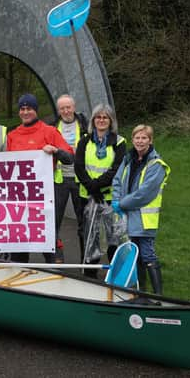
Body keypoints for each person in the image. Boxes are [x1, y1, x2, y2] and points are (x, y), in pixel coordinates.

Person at [6, 93, 74, 263]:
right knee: (21, 234)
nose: (25, 112)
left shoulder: (49, 131)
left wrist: (56, 151)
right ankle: (19, 270)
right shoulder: (12, 135)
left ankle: (56, 266)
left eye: (29, 108)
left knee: (46, 231)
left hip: (46, 193)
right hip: (19, 195)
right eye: (22, 109)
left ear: (35, 110)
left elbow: (69, 157)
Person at [112, 125, 170, 294]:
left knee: (148, 255)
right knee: (135, 256)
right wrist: (115, 199)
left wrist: (121, 204)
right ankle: (141, 292)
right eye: (137, 137)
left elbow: (144, 194)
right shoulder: (128, 159)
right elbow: (117, 180)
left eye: (144, 138)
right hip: (129, 217)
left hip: (144, 220)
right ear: (133, 139)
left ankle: (159, 295)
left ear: (150, 140)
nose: (140, 141)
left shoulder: (156, 165)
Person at [74, 104, 126, 275]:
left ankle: (116, 273)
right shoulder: (84, 141)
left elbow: (116, 169)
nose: (101, 120)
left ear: (111, 121)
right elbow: (79, 167)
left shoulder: (119, 142)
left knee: (113, 236)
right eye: (98, 117)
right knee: (90, 236)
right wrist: (91, 188)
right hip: (87, 197)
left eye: (105, 117)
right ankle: (89, 272)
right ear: (93, 120)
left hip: (110, 197)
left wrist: (96, 186)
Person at [50, 94, 89, 263]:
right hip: (59, 179)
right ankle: (57, 256)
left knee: (84, 221)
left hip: (81, 179)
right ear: (58, 110)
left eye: (68, 107)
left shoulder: (86, 124)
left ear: (74, 107)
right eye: (62, 108)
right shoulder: (52, 127)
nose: (66, 111)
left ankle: (86, 259)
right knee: (54, 220)